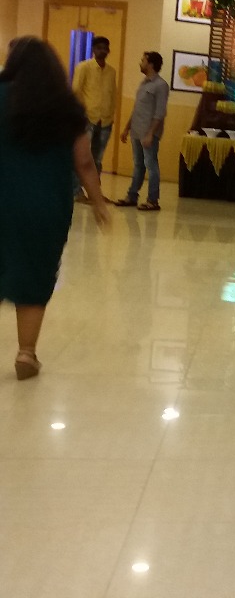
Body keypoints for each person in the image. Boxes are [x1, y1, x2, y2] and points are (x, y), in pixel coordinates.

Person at [0, 37, 111, 380]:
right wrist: (98, 202)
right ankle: (26, 353)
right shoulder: (66, 107)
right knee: (35, 275)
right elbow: (85, 162)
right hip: (46, 207)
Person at [113, 51, 168, 211]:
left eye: (143, 60)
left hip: (148, 133)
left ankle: (153, 200)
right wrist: (127, 128)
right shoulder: (143, 83)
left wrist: (151, 133)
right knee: (138, 165)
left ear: (150, 64)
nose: (140, 63)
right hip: (136, 131)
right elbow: (137, 108)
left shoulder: (161, 85)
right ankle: (132, 196)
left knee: (151, 165)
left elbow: (160, 113)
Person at [71, 35, 116, 202]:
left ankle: (94, 193)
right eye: (99, 48)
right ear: (93, 50)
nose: (102, 51)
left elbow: (113, 95)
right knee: (81, 156)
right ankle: (76, 191)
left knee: (97, 159)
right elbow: (76, 91)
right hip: (87, 119)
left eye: (105, 48)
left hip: (105, 121)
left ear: (108, 50)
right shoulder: (84, 67)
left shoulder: (111, 71)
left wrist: (110, 114)